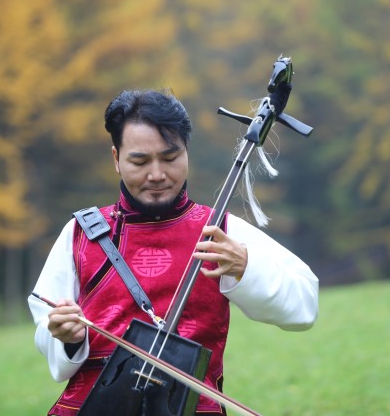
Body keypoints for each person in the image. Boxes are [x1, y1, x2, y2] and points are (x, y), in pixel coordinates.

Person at [28, 89, 319, 416]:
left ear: (186, 153)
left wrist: (246, 267)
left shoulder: (219, 230)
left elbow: (304, 306)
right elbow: (45, 324)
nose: (157, 175)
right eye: (140, 161)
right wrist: (66, 337)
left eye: (170, 158)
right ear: (116, 158)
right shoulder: (81, 233)